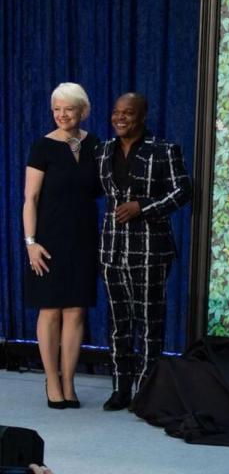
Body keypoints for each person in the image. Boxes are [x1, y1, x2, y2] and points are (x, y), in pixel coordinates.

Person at [97, 93, 191, 410]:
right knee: (118, 323)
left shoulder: (164, 150)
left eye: (128, 113)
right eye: (116, 112)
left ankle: (146, 391)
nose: (120, 118)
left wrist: (144, 207)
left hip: (151, 250)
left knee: (150, 323)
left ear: (143, 116)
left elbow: (183, 190)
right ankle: (120, 388)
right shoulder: (104, 150)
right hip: (112, 251)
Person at [23, 83, 101, 409]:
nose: (61, 114)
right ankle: (51, 380)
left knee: (76, 310)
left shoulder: (96, 144)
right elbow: (30, 198)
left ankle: (69, 381)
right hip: (48, 240)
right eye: (56, 109)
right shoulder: (42, 146)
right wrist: (31, 243)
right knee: (51, 309)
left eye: (68, 108)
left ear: (82, 110)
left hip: (83, 238)